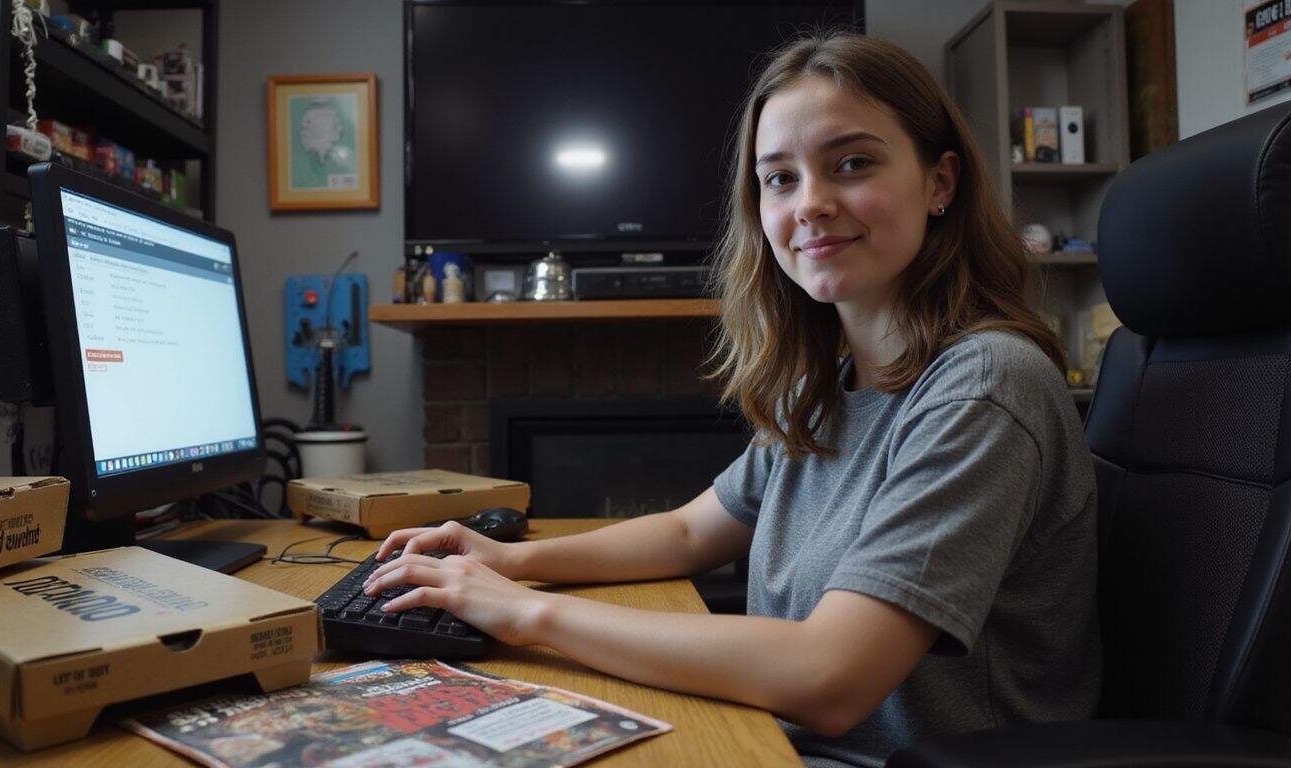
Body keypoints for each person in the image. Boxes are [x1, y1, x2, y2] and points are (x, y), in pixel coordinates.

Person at [362, 32, 1099, 767]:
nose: (811, 203)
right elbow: (689, 533)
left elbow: (829, 676)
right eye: (780, 178)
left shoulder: (985, 386)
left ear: (940, 182)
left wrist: (526, 613)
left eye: (853, 163)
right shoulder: (828, 383)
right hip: (774, 738)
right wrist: (509, 562)